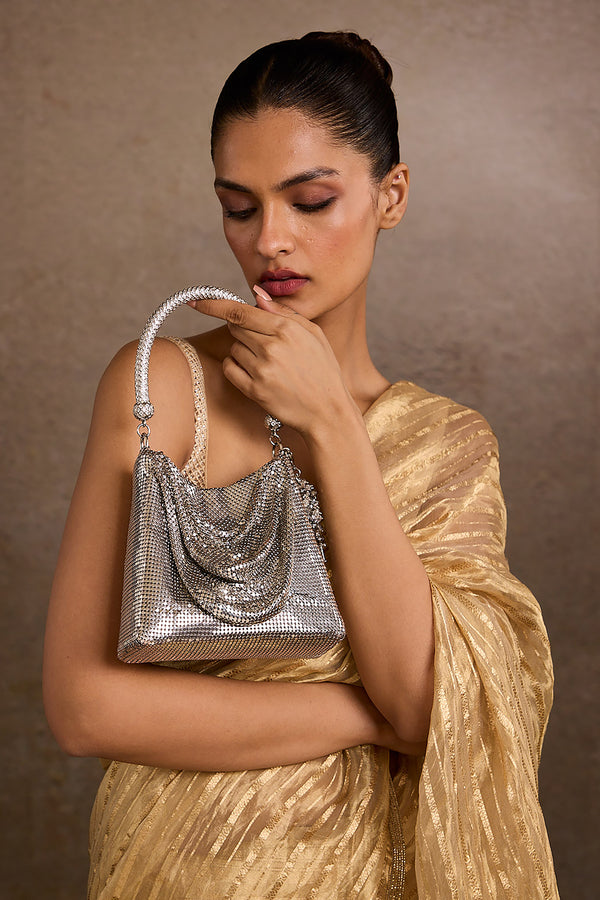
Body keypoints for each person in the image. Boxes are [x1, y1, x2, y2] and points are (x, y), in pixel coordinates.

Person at [43, 31, 559, 899]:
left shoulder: (449, 444)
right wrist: (359, 715)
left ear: (391, 195)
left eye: (311, 201)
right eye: (239, 208)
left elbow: (428, 703)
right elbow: (83, 706)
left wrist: (332, 423)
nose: (271, 241)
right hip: (176, 868)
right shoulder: (166, 387)